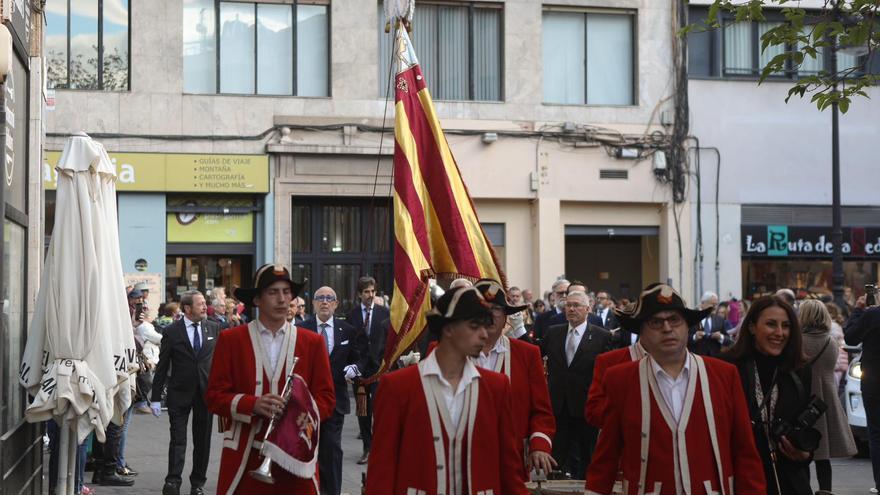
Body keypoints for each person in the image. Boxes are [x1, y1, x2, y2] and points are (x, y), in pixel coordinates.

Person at [586, 284, 766, 494]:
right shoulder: (620, 380)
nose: (667, 328)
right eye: (656, 322)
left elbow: (745, 452)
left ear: (687, 326)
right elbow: (606, 458)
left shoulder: (724, 375)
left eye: (674, 320)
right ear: (641, 331)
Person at [364, 286, 527, 494]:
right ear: (448, 328)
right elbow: (382, 468)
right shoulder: (397, 387)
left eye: (485, 326)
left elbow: (509, 469)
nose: (484, 334)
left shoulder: (497, 387)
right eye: (474, 326)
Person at [205, 264, 335, 494]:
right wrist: (252, 404)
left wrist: (298, 414)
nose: (282, 299)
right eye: (273, 292)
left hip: (295, 458)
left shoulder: (312, 343)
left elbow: (326, 398)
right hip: (245, 459)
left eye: (287, 292)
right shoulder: (231, 339)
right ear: (257, 299)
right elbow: (214, 397)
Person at [722, 296, 814, 495]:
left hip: (790, 480)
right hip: (743, 479)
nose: (780, 333)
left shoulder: (799, 370)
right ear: (752, 327)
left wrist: (805, 453)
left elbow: (805, 426)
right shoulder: (728, 367)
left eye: (786, 325)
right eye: (771, 324)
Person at [472, 279, 556, 478]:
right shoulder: (454, 352)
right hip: (464, 459)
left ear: (505, 318)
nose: (489, 315)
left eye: (495, 309)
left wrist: (539, 445)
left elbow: (541, 411)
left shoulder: (526, 354)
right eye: (481, 309)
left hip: (511, 462)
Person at [150, 290, 221, 495]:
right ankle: (173, 481)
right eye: (200, 304)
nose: (204, 307)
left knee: (203, 441)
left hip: (205, 395)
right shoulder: (172, 331)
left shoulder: (214, 328)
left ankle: (198, 483)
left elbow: (219, 362)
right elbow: (162, 365)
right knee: (178, 439)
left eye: (204, 303)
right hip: (179, 393)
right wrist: (155, 398)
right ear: (188, 309)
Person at [301, 286, 367, 495]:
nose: (325, 302)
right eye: (320, 298)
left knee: (331, 451)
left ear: (336, 304)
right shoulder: (302, 329)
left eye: (330, 298)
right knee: (307, 451)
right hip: (307, 403)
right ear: (313, 303)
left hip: (335, 402)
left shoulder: (346, 330)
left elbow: (361, 357)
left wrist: (355, 368)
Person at [544, 290, 612, 478]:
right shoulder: (553, 332)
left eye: (576, 305)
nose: (571, 309)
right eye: (568, 305)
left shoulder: (602, 337)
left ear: (588, 309)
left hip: (586, 408)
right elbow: (535, 355)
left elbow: (608, 373)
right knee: (556, 461)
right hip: (559, 407)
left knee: (586, 461)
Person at [798, 299, 857, 493]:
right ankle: (826, 491)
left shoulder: (798, 341)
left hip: (803, 396)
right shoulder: (830, 342)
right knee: (823, 457)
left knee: (801, 453)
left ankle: (803, 489)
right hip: (825, 399)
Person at [345, 276, 391, 465]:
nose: (370, 295)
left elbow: (389, 340)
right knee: (363, 411)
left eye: (373, 291)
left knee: (380, 409)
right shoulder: (352, 315)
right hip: (360, 373)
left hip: (379, 370)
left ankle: (380, 448)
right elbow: (349, 342)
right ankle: (367, 448)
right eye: (366, 292)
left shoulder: (384, 313)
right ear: (359, 294)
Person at [844, 294, 880, 494]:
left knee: (876, 432)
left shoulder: (873, 314)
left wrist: (858, 310)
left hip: (874, 380)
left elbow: (850, 336)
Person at [689, 291, 733, 357]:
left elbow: (729, 340)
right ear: (702, 303)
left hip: (715, 358)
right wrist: (695, 336)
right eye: (712, 304)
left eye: (716, 304)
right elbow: (684, 339)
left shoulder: (719, 320)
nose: (715, 307)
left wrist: (720, 337)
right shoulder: (692, 318)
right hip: (696, 358)